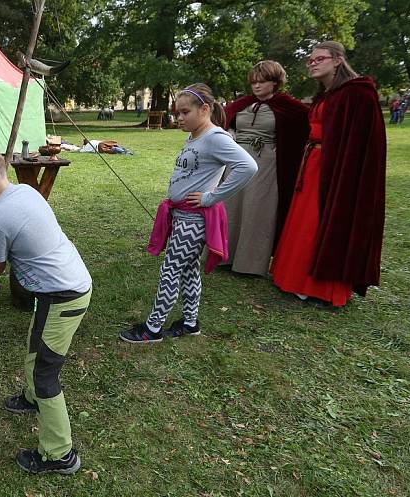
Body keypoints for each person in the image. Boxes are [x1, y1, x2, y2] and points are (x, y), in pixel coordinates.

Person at [0, 146, 92, 475]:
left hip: (62, 296)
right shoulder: (24, 191)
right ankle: (31, 398)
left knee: (45, 374)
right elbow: (12, 229)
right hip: (64, 286)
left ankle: (59, 455)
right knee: (35, 347)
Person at [119, 84, 257, 343]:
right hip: (181, 216)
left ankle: (153, 329)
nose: (179, 118)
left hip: (194, 220)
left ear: (204, 109)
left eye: (184, 112)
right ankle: (190, 323)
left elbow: (247, 167)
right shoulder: (195, 135)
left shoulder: (215, 137)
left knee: (170, 271)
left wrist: (211, 197)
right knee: (188, 270)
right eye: (177, 113)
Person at [270, 41, 386, 307]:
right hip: (313, 165)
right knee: (304, 221)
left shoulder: (358, 94)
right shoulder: (328, 94)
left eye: (319, 59)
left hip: (337, 171)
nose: (312, 63)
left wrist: (340, 170)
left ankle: (322, 289)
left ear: (337, 60)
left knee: (321, 222)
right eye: (310, 60)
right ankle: (295, 279)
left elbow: (363, 144)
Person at [222, 60, 309, 276]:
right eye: (254, 82)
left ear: (275, 82)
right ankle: (223, 255)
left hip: (266, 163)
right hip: (237, 159)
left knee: (257, 209)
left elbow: (306, 128)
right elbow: (224, 120)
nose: (257, 86)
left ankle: (248, 264)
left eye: (262, 81)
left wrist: (283, 146)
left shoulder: (289, 106)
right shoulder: (242, 103)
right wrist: (230, 133)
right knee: (230, 206)